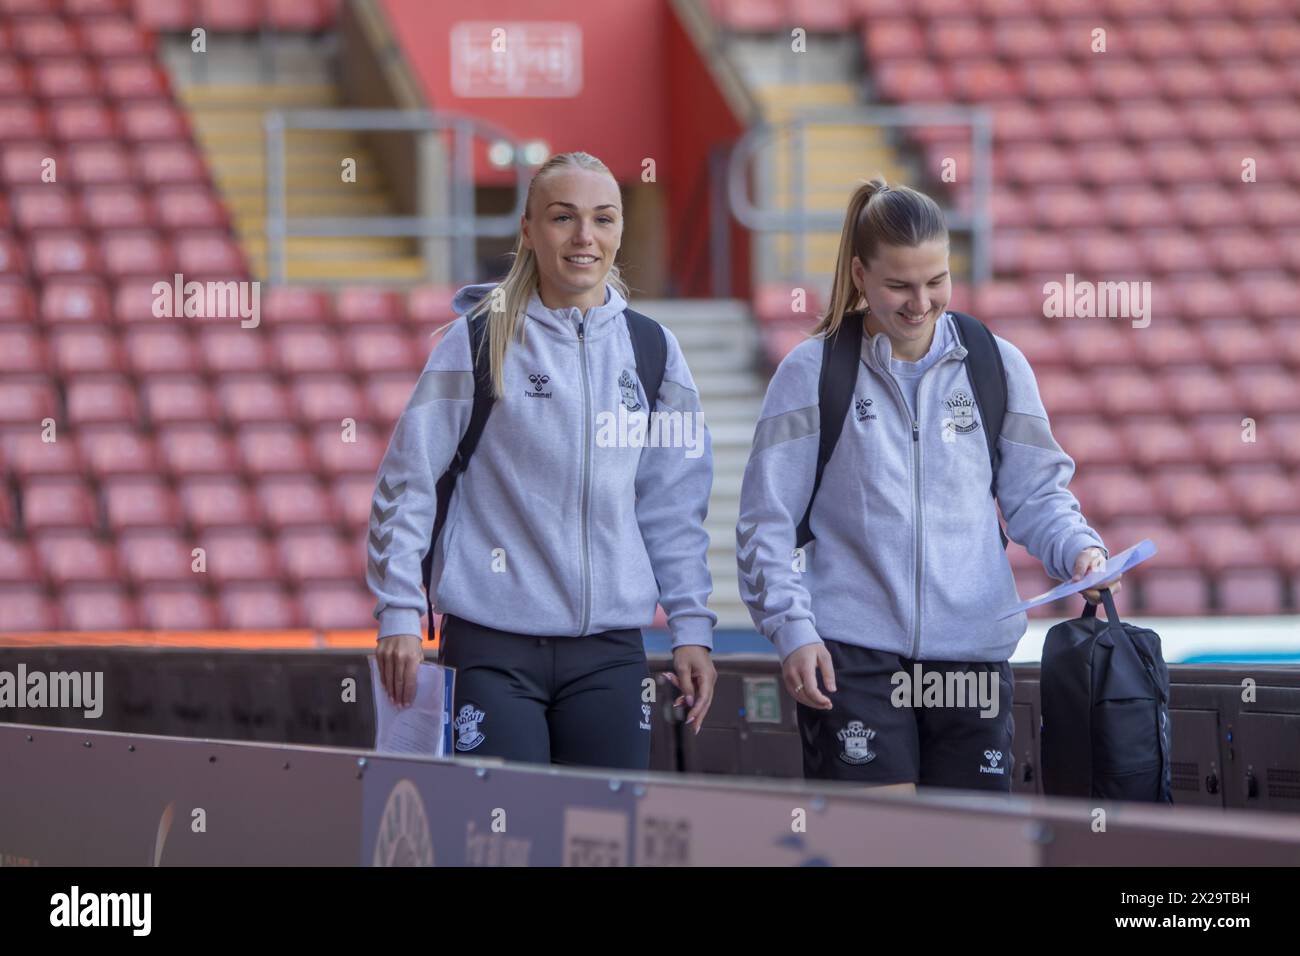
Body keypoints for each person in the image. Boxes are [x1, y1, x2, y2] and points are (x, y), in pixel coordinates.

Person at [736, 177, 1121, 792]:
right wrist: (792, 629)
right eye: (899, 286)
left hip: (972, 653)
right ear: (860, 275)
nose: (921, 302)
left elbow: (1037, 496)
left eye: (936, 281)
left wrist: (1079, 550)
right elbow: (765, 521)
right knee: (880, 849)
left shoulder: (996, 363)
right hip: (853, 656)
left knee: (967, 847)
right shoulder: (811, 372)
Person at [365, 151, 716, 771]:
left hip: (610, 653)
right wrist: (397, 610)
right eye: (563, 218)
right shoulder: (476, 340)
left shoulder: (655, 350)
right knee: (503, 838)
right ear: (528, 229)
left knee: (604, 841)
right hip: (492, 648)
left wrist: (691, 626)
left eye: (603, 219)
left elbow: (674, 507)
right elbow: (407, 481)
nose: (585, 237)